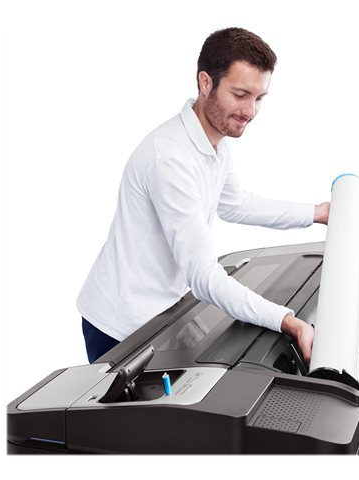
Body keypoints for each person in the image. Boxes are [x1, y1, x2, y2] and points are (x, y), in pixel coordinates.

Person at [77, 27, 330, 364]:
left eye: (258, 98)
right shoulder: (169, 158)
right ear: (206, 83)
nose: (250, 111)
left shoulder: (214, 142)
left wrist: (317, 213)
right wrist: (287, 320)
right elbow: (203, 276)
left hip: (161, 312)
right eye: (240, 94)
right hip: (119, 325)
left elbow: (235, 203)